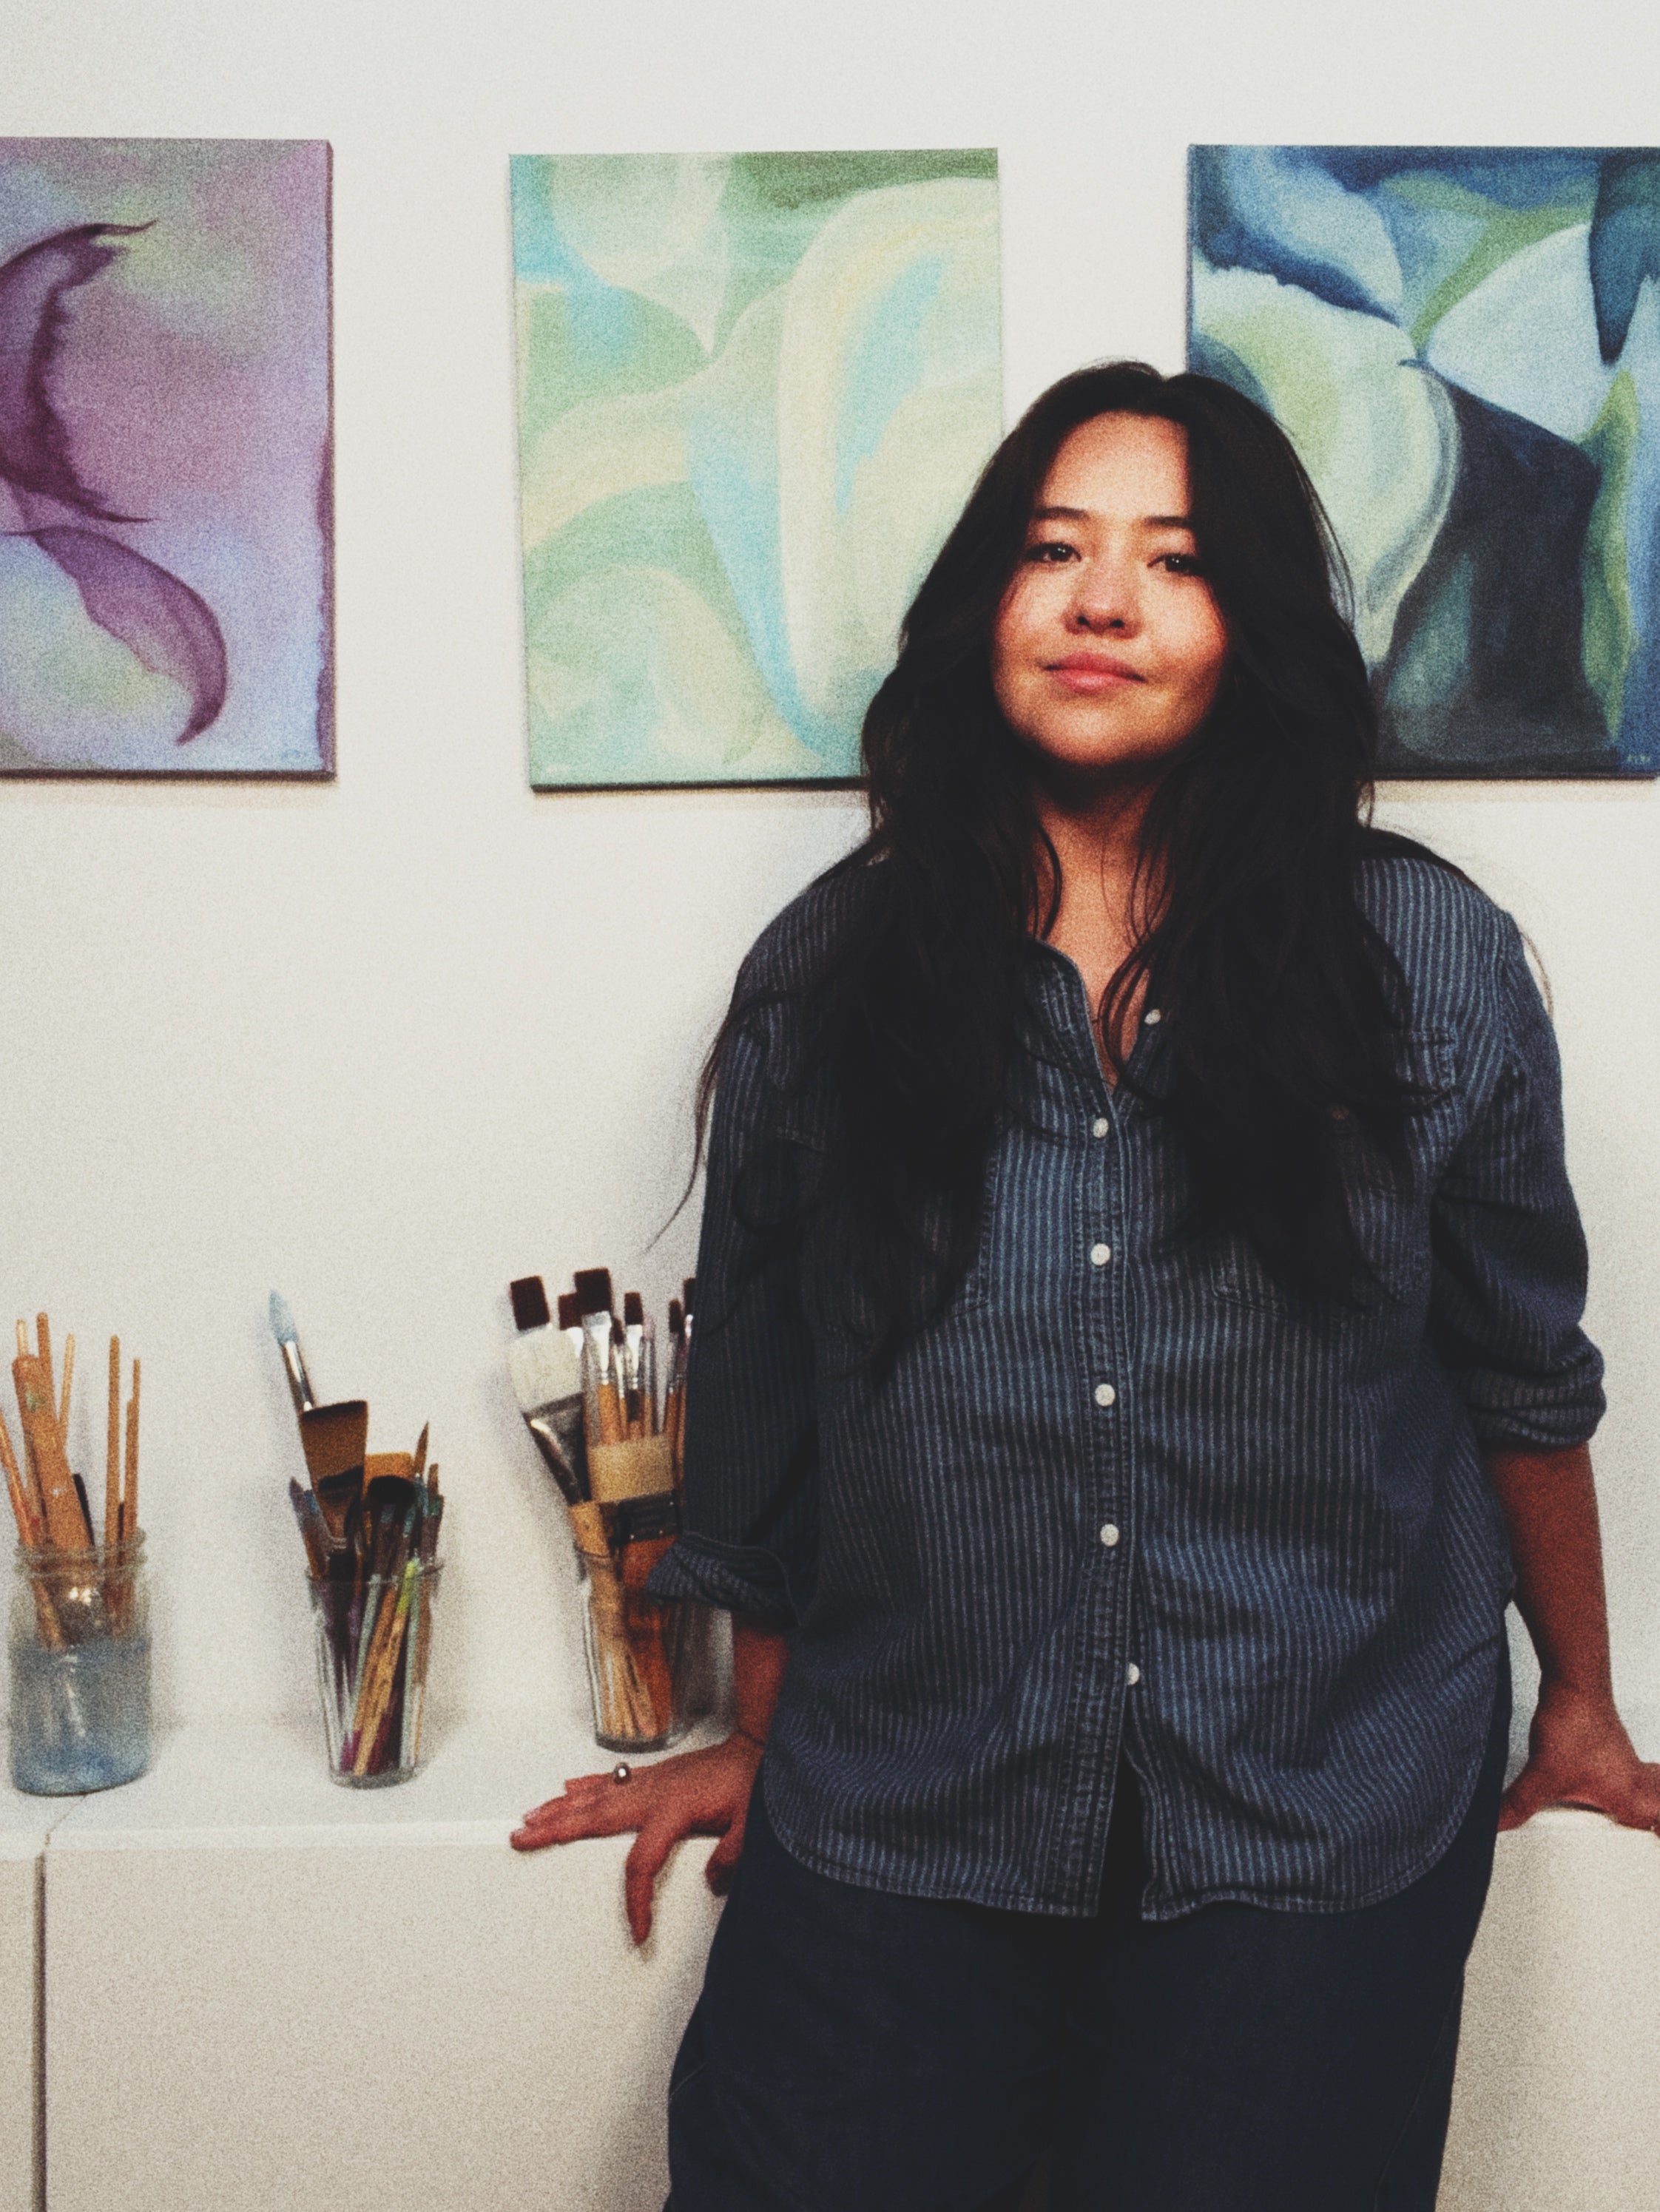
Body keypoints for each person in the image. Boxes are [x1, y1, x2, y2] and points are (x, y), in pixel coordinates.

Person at [513, 362, 1660, 2211]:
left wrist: (1583, 1699)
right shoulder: (830, 978)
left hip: (1323, 1807)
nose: (1103, 599)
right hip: (910, 1799)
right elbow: (781, 1407)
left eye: (1174, 559)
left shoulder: (1428, 962)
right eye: (1055, 548)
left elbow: (1523, 1370)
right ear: (991, 607)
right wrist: (758, 1728)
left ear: (1252, 629)